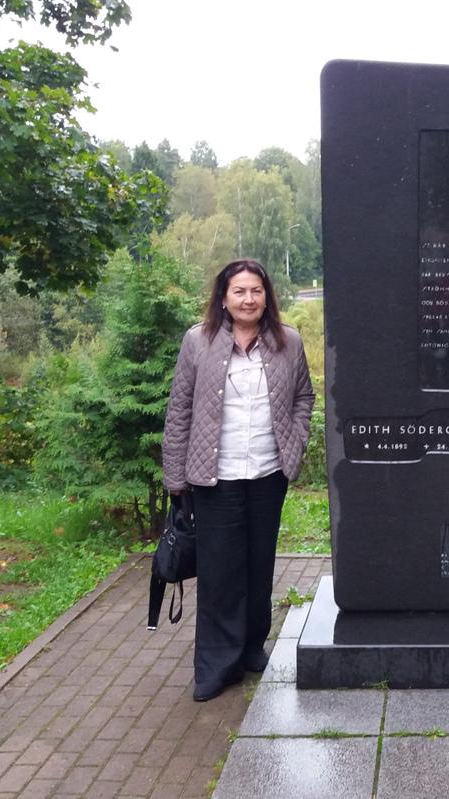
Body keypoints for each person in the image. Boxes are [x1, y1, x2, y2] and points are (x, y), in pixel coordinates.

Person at [162, 259, 315, 702]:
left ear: (267, 297)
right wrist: (175, 477)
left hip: (268, 473)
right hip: (216, 476)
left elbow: (304, 395)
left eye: (256, 291)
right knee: (219, 572)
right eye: (239, 292)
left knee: (258, 564)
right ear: (224, 299)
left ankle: (251, 648)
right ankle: (216, 664)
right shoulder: (199, 341)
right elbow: (180, 410)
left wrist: (297, 439)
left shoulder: (288, 342)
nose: (249, 299)